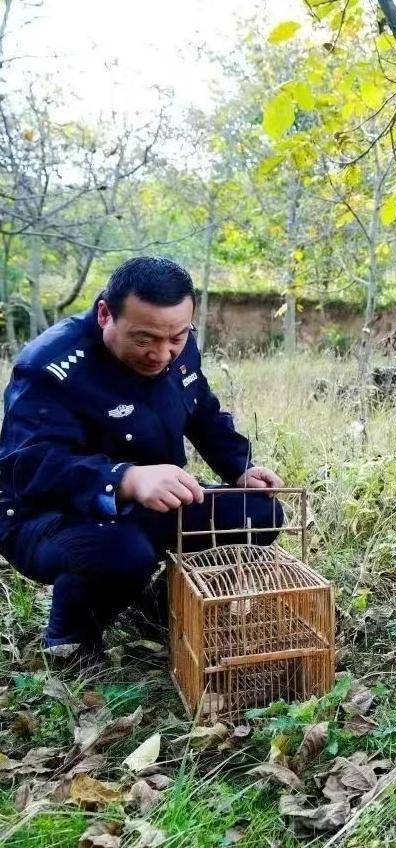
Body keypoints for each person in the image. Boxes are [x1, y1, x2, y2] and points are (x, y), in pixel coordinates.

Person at [0, 256, 285, 660]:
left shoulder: (174, 341)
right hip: (46, 516)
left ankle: (159, 606)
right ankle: (72, 638)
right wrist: (125, 479)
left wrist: (240, 467)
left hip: (148, 499)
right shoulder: (50, 367)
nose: (162, 354)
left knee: (259, 513)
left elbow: (201, 409)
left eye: (176, 338)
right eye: (144, 339)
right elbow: (27, 467)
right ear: (105, 315)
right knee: (123, 552)